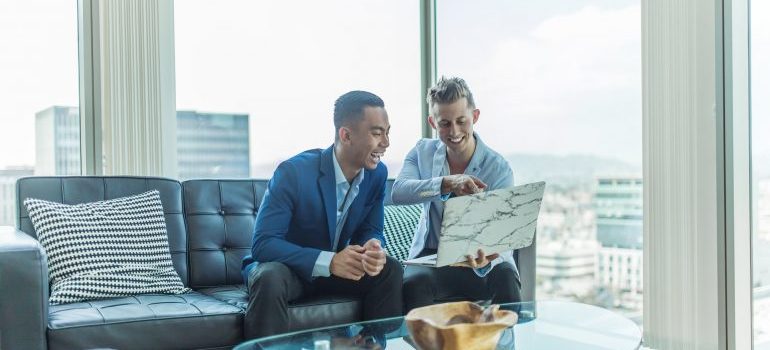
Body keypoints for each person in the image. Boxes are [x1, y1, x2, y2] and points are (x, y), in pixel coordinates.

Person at [241, 91, 403, 339]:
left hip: (335, 272)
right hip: (289, 270)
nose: (386, 143)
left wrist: (372, 247)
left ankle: (371, 344)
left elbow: (371, 229)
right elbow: (263, 245)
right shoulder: (293, 172)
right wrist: (330, 261)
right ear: (346, 135)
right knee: (270, 277)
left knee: (389, 269)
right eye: (377, 133)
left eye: (387, 132)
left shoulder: (377, 174)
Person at [391, 76, 521, 312]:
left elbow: (505, 236)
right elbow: (398, 192)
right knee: (413, 284)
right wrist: (446, 183)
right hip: (432, 258)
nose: (454, 131)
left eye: (462, 121)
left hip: (481, 259)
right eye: (445, 123)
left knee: (506, 277)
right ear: (432, 122)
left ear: (475, 116)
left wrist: (486, 257)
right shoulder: (422, 152)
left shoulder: (498, 168)